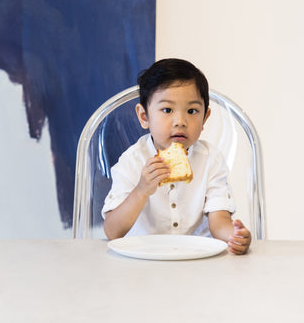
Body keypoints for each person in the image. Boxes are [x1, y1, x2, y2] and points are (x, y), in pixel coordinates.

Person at [102, 58, 251, 254]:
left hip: (196, 259)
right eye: (167, 110)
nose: (180, 121)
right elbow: (113, 232)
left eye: (192, 111)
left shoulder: (211, 160)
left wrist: (234, 236)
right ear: (144, 117)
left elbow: (218, 220)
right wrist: (141, 190)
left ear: (205, 117)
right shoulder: (132, 161)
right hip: (143, 261)